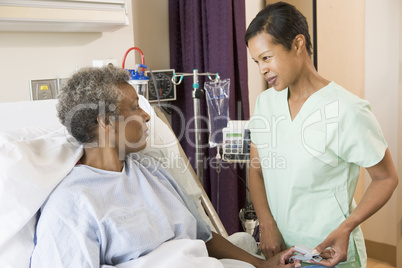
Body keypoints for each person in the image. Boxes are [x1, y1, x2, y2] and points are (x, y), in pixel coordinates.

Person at [30, 66, 299, 268]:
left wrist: (262, 264)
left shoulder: (151, 170)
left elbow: (202, 235)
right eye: (135, 107)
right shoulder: (72, 203)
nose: (147, 115)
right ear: (106, 122)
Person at [246, 2, 398, 268]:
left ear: (298, 44)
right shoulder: (265, 103)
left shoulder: (347, 110)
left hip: (329, 253)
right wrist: (267, 223)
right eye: (256, 61)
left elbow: (386, 177)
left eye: (267, 57)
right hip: (282, 252)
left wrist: (347, 227)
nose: (262, 69)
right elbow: (256, 168)